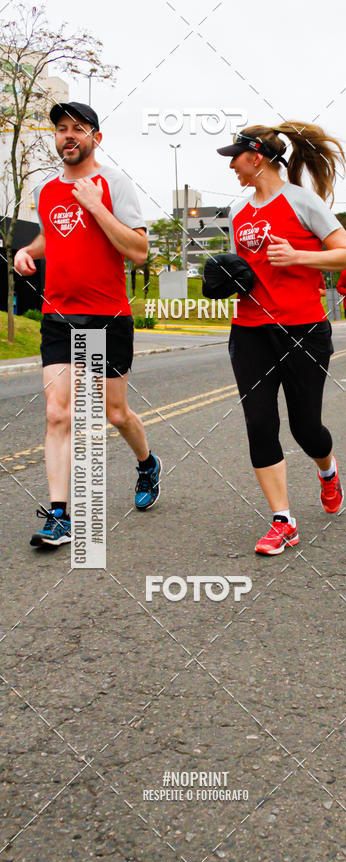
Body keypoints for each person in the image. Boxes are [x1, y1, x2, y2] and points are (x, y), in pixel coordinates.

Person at [14, 101, 161, 548]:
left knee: (115, 413)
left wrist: (97, 207)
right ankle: (60, 516)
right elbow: (50, 236)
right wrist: (29, 253)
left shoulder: (113, 183)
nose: (68, 136)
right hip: (59, 314)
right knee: (58, 413)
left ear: (96, 136)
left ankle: (147, 463)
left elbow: (138, 251)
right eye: (61, 129)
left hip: (107, 316)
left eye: (78, 128)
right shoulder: (45, 190)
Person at [217, 124, 346, 555]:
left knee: (306, 428)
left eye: (235, 156)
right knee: (259, 424)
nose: (231, 164)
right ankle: (283, 520)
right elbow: (246, 269)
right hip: (250, 330)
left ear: (256, 157)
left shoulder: (301, 200)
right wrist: (226, 279)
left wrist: (299, 256)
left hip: (302, 330)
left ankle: (327, 470)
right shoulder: (238, 213)